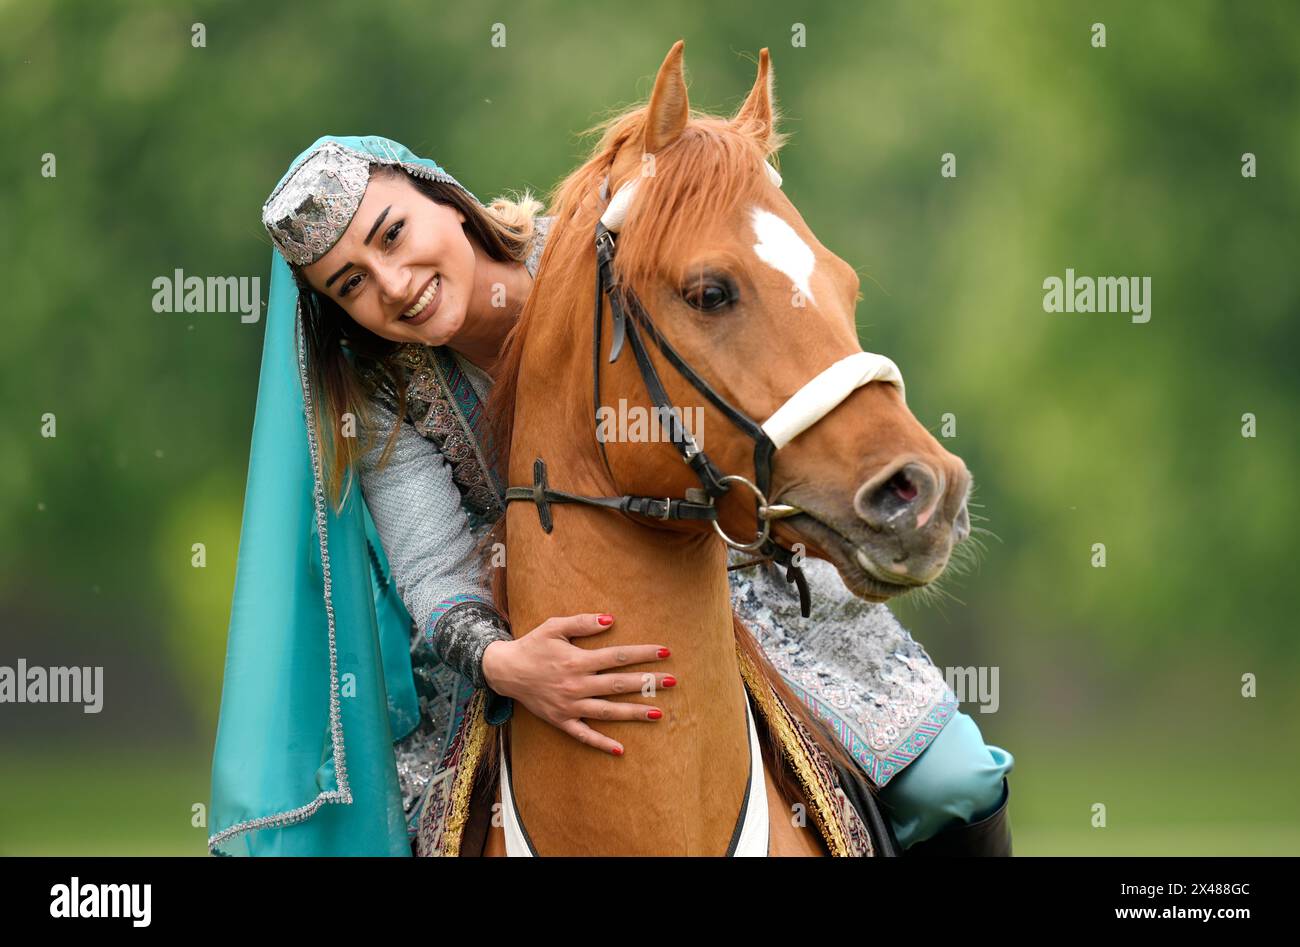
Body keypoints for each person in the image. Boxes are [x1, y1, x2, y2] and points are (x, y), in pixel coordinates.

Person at [208, 134, 1012, 856]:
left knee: (955, 780)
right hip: (536, 642)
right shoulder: (387, 395)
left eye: (392, 235)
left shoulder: (596, 256)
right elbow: (431, 568)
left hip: (741, 575)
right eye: (351, 282)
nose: (393, 282)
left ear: (447, 203)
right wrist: (503, 661)